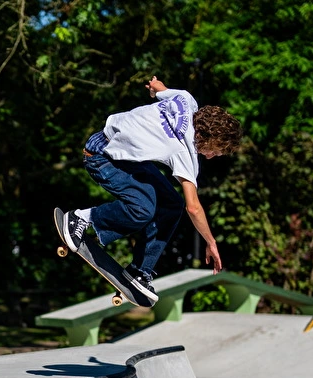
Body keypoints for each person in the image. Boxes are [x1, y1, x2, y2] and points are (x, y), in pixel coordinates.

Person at [58, 76, 242, 306]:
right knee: (142, 210)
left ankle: (139, 271)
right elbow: (193, 208)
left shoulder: (186, 100)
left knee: (171, 203)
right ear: (210, 139)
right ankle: (80, 218)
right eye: (216, 151)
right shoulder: (184, 152)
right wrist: (211, 242)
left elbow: (160, 88)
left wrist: (154, 87)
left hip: (124, 155)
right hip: (102, 158)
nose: (213, 156)